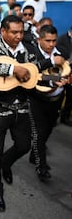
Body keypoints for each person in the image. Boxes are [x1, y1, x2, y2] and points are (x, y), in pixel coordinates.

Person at [0, 15, 44, 212]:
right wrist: (13, 69)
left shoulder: (29, 48)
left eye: (21, 32)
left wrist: (51, 79)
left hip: (22, 106)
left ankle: (6, 164)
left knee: (24, 145)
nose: (18, 36)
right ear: (4, 31)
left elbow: (36, 70)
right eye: (14, 32)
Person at [29, 25, 67, 182]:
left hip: (56, 102)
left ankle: (34, 154)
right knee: (39, 133)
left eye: (54, 40)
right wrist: (55, 80)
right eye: (48, 41)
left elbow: (67, 73)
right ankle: (41, 167)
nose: (51, 44)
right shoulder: (32, 54)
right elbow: (33, 76)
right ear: (40, 39)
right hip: (37, 100)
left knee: (48, 130)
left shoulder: (62, 54)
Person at [56, 26, 72, 126]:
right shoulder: (62, 38)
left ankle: (65, 116)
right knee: (59, 93)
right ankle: (55, 115)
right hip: (63, 70)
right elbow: (58, 53)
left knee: (70, 95)